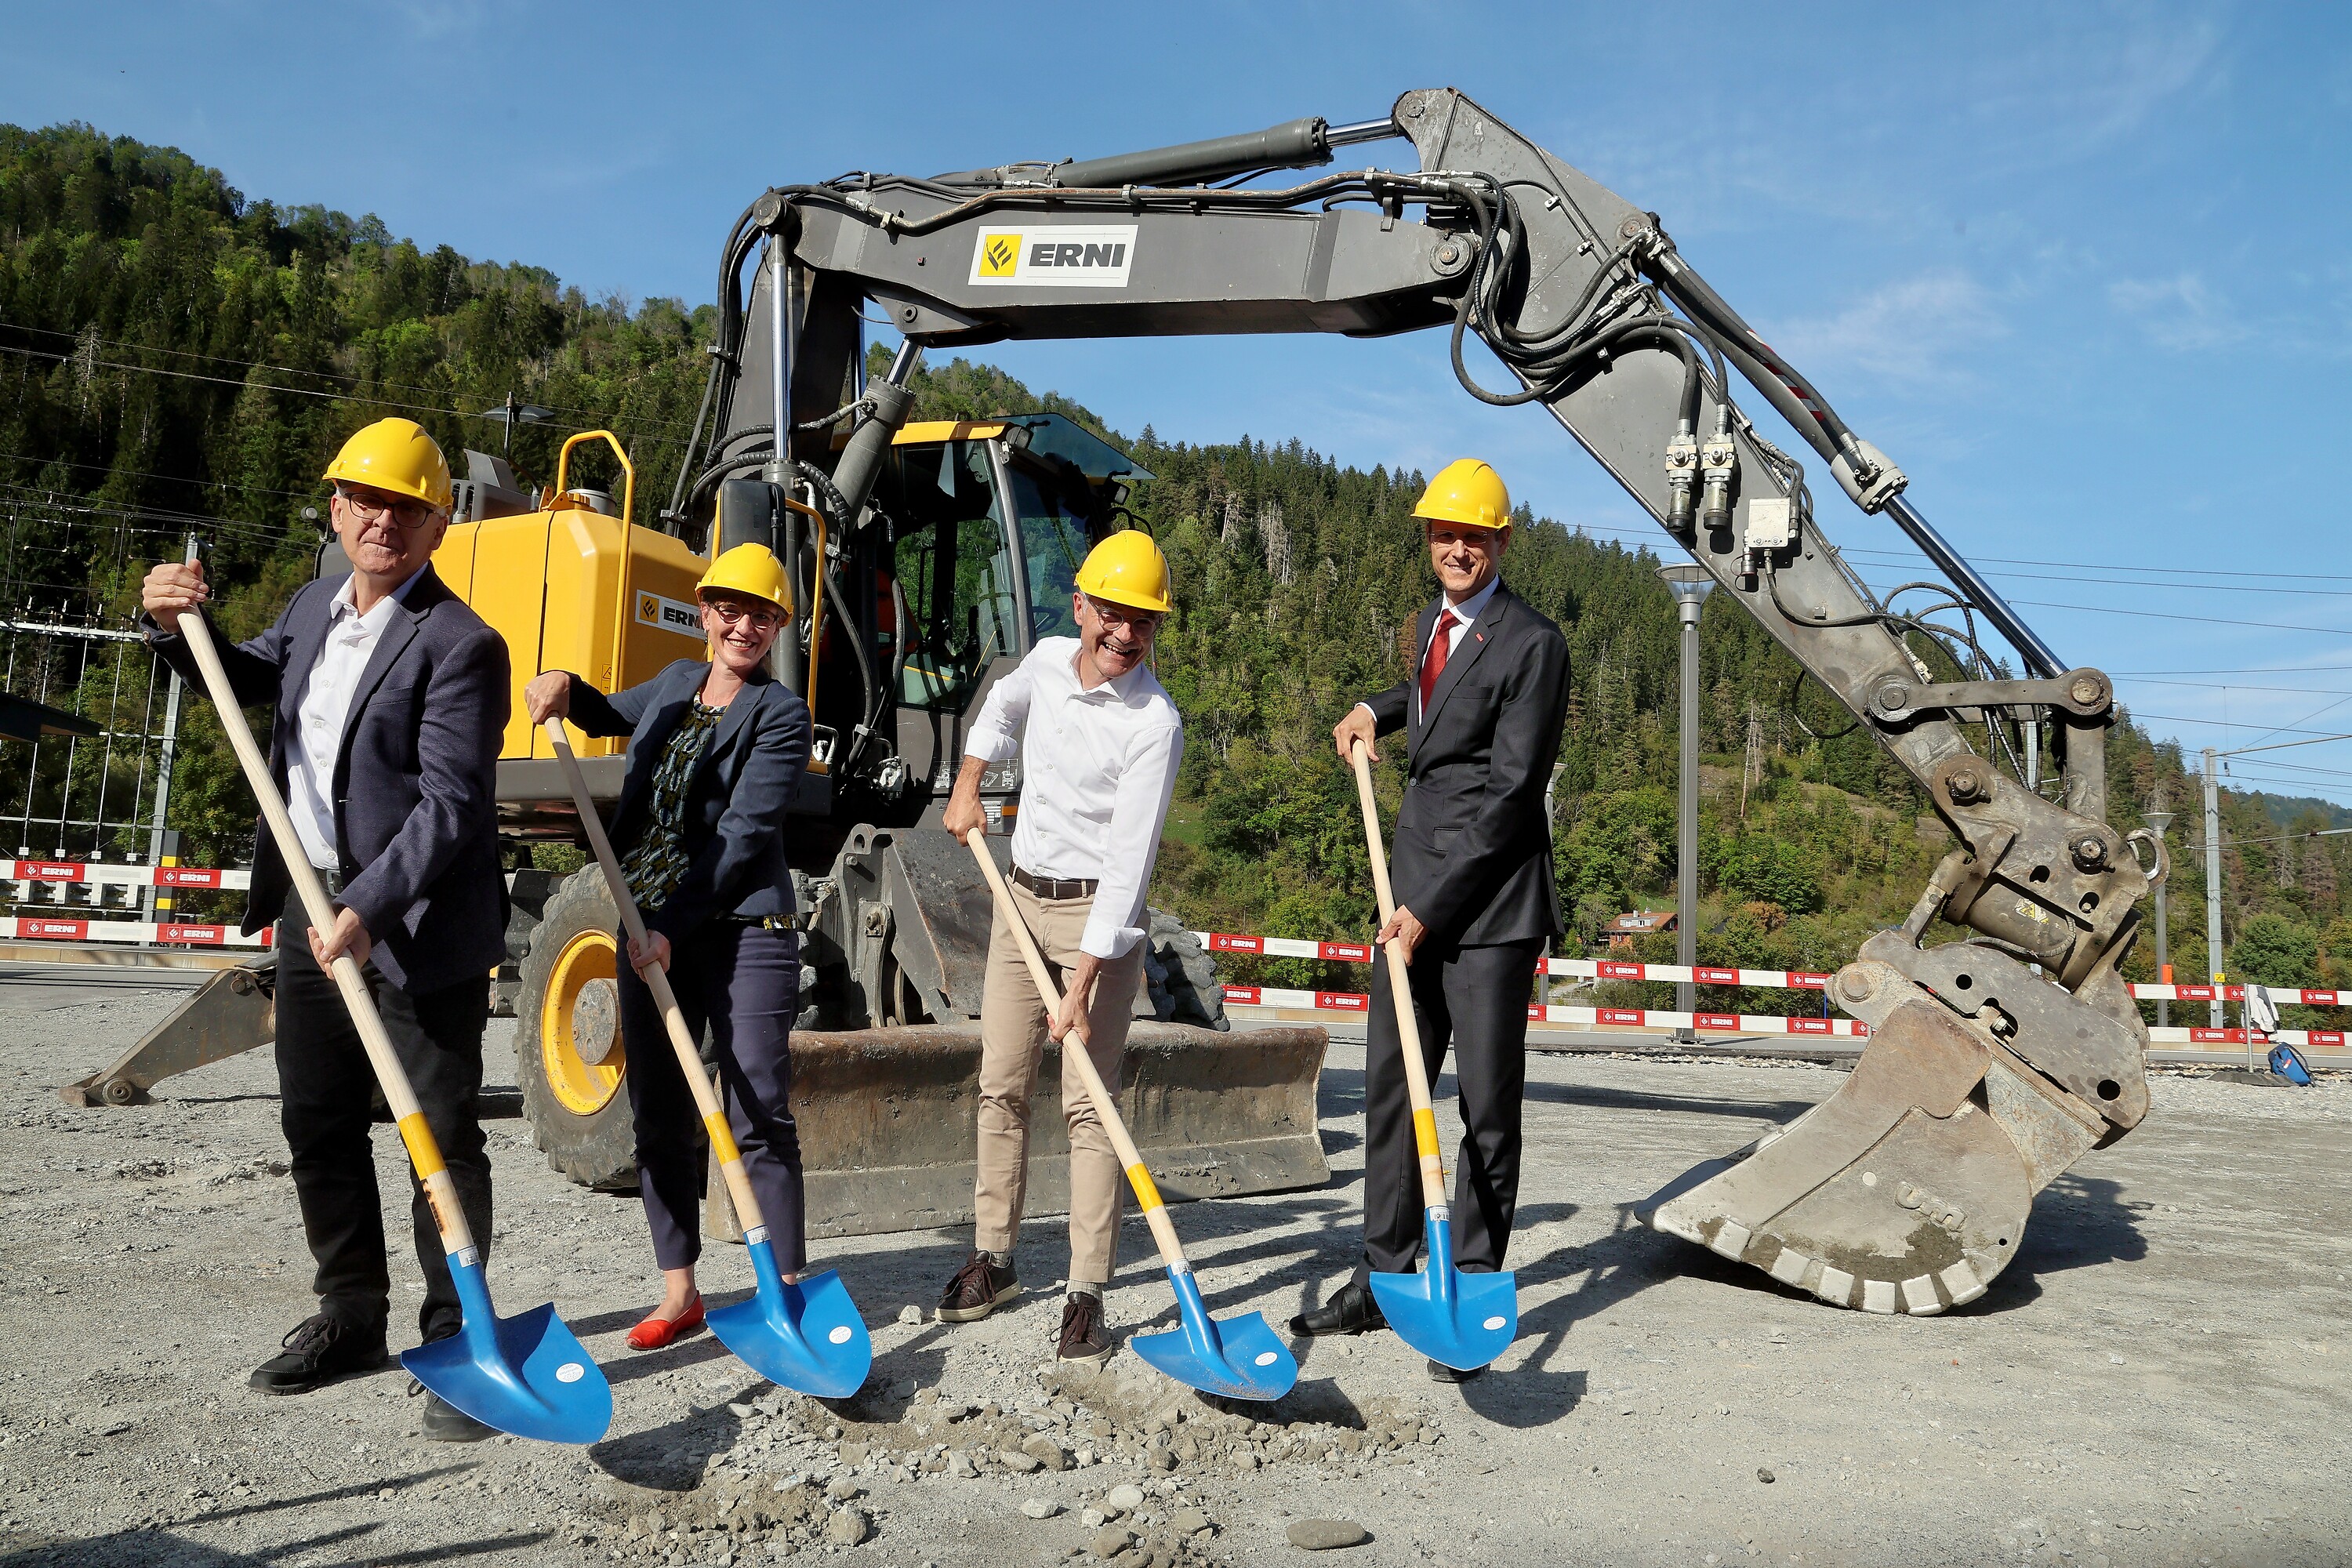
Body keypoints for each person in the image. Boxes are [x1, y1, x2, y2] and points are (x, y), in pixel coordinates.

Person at [140, 417, 511, 1440]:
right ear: (338, 509)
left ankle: (457, 1335)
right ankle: (350, 1315)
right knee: (318, 1121)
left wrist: (366, 908)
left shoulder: (463, 644)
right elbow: (244, 677)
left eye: (407, 507)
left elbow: (450, 804)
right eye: (366, 500)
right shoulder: (312, 605)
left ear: (438, 526)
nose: (383, 520)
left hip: (415, 922)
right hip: (311, 907)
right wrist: (172, 628)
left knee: (438, 1136)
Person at [1298, 458, 1571, 1383]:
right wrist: (1373, 709)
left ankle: (1474, 1283)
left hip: (1487, 906)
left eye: (1473, 536)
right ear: (1428, 539)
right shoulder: (1429, 625)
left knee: (1485, 1105)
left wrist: (1429, 910)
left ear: (1501, 541)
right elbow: (1437, 701)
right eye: (1443, 533)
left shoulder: (1535, 642)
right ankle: (1384, 1275)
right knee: (1390, 1093)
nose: (1457, 548)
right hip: (1408, 890)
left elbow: (1511, 794)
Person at [523, 543, 812, 1352]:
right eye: (730, 609)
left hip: (741, 928)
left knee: (757, 1104)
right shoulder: (677, 681)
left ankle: (784, 1291)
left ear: (778, 626)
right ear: (705, 611)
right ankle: (680, 1290)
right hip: (645, 918)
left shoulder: (781, 714)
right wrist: (564, 686)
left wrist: (670, 929)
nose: (743, 626)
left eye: (761, 615)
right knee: (658, 1107)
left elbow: (741, 837)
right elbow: (606, 712)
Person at [931, 531, 1183, 1367]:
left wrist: (1081, 985)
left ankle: (1085, 1293)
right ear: (1080, 606)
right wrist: (970, 780)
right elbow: (999, 712)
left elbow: (1129, 868)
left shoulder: (1154, 723)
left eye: (1142, 621)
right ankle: (995, 1261)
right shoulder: (1042, 663)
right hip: (1019, 899)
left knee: (1089, 1105)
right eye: (1112, 613)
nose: (1125, 633)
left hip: (1093, 922)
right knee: (1000, 1084)